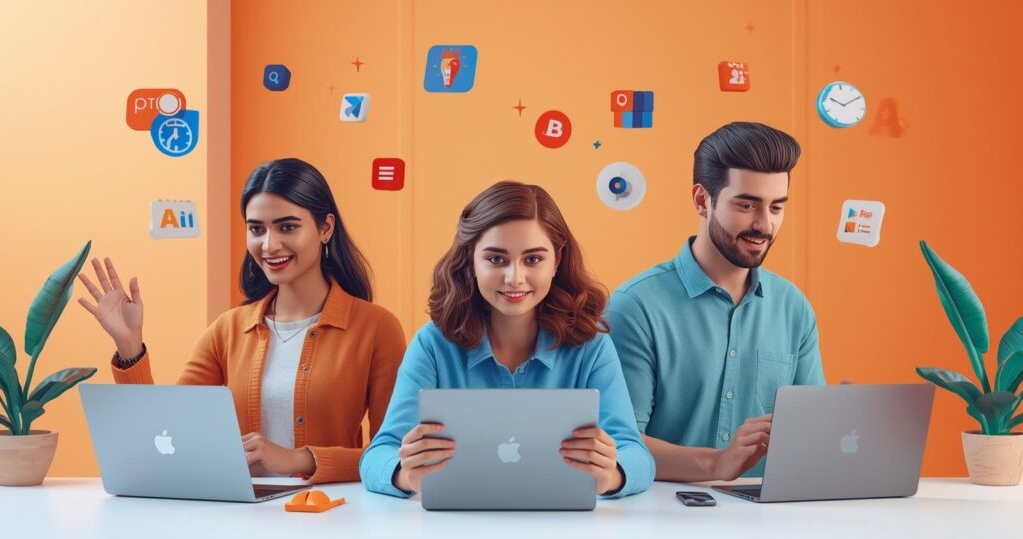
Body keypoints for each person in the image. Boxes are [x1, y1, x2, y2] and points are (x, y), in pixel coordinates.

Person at [77, 158, 406, 483]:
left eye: (287, 227)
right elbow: (163, 433)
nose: (269, 245)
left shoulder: (376, 329)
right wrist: (129, 344)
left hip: (333, 513)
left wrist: (298, 458)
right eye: (256, 229)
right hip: (240, 514)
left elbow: (391, 456)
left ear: (325, 228)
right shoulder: (228, 330)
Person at [360, 181, 654, 498]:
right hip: (456, 531)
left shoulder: (590, 345)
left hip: (564, 532)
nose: (514, 278)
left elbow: (636, 455)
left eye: (533, 259)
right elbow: (378, 454)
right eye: (496, 259)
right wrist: (405, 475)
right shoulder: (432, 344)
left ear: (556, 260)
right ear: (470, 260)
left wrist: (612, 475)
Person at [606, 122, 825, 482]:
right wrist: (716, 462)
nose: (763, 225)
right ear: (701, 200)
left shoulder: (793, 307)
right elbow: (619, 444)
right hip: (663, 519)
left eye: (776, 207)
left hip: (771, 523)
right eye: (746, 204)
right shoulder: (636, 307)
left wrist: (834, 424)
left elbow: (808, 438)